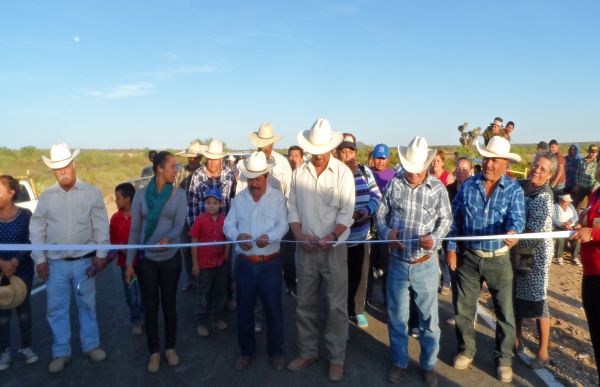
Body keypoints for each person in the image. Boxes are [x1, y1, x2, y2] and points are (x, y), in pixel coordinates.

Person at [446, 136, 525, 383]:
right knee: (463, 309)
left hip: (499, 260)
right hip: (469, 256)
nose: (489, 164)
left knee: (505, 313)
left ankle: (503, 359)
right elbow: (453, 220)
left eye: (495, 160)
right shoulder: (468, 186)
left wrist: (514, 233)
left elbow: (518, 220)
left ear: (505, 164)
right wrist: (451, 248)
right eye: (486, 158)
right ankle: (466, 350)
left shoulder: (514, 190)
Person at [376, 136, 453, 386]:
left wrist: (436, 237)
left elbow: (446, 220)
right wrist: (387, 233)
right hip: (398, 262)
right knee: (397, 317)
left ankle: (428, 364)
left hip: (426, 264)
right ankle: (399, 362)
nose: (413, 174)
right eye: (409, 169)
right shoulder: (395, 185)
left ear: (426, 166)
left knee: (429, 320)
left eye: (417, 170)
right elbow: (381, 214)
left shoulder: (438, 189)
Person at [29, 143, 110, 373]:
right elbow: (37, 230)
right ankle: (61, 351)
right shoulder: (46, 198)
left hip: (85, 262)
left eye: (65, 166)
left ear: (74, 164)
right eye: (57, 168)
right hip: (55, 265)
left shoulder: (91, 193)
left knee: (87, 305)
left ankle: (91, 345)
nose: (62, 171)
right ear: (53, 171)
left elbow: (101, 226)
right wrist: (40, 260)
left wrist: (102, 255)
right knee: (56, 309)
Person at [286, 118, 355, 382]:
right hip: (305, 248)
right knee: (305, 303)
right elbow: (292, 209)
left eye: (322, 149)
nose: (317, 155)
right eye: (314, 150)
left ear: (330, 147)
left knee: (337, 307)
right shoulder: (298, 173)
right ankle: (308, 351)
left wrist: (333, 235)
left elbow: (346, 212)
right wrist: (300, 235)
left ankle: (336, 357)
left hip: (334, 248)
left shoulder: (343, 174)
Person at [224, 151, 289, 371]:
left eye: (258, 178)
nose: (254, 183)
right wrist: (236, 236)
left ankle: (276, 351)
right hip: (244, 264)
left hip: (269, 262)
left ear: (266, 177)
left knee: (273, 310)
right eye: (250, 178)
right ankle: (246, 352)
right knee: (244, 310)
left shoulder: (278, 198)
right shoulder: (239, 199)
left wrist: (269, 238)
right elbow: (228, 225)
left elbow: (283, 225)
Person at [125, 151, 187, 373]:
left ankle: (170, 348)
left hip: (171, 259)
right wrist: (130, 263)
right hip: (148, 261)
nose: (176, 171)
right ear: (159, 168)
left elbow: (180, 225)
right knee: (151, 307)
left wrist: (168, 238)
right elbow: (134, 231)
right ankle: (153, 352)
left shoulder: (179, 195)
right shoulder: (140, 196)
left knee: (169, 305)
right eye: (172, 166)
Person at [513, 152, 556, 370]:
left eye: (543, 170)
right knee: (517, 294)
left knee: (538, 301)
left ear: (550, 175)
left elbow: (532, 231)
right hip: (520, 248)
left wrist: (510, 236)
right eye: (535, 166)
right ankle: (517, 339)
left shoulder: (544, 197)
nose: (537, 171)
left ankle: (543, 352)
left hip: (533, 252)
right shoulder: (523, 185)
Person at [336, 133, 381, 329]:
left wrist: (366, 211)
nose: (347, 155)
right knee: (339, 276)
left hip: (362, 235)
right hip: (338, 237)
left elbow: (376, 196)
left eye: (351, 151)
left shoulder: (364, 171)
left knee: (360, 275)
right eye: (343, 151)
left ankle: (357, 310)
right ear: (337, 154)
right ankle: (338, 312)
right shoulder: (334, 173)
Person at [187, 139, 237, 310]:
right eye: (210, 158)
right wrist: (197, 235)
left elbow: (233, 201)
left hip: (225, 232)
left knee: (226, 270)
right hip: (204, 234)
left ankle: (226, 301)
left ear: (222, 159)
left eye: (216, 159)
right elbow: (192, 206)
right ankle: (205, 311)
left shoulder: (230, 175)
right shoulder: (197, 175)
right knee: (206, 276)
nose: (213, 162)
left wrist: (233, 231)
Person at [0, 175, 38, 370]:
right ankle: (4, 352)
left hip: (22, 270)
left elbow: (30, 241)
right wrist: (2, 264)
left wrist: (14, 261)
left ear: (11, 193)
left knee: (24, 311)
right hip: (0, 273)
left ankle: (26, 347)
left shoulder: (25, 215)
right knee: (2, 313)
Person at [569, 187, 600, 383]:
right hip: (591, 274)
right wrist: (578, 227)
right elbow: (589, 223)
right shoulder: (595, 194)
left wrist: (594, 234)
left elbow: (594, 231)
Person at [189, 189, 229, 337]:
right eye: (208, 203)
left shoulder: (225, 220)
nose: (211, 206)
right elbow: (193, 241)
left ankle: (216, 318)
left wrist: (226, 255)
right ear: (205, 204)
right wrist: (195, 264)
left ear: (221, 204)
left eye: (215, 203)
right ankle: (202, 322)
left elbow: (228, 238)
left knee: (220, 293)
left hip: (220, 263)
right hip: (204, 265)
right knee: (204, 294)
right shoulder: (200, 220)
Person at [110, 182, 143, 335]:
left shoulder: (140, 215)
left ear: (128, 199)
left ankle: (146, 315)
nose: (115, 201)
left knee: (144, 290)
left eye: (118, 198)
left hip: (142, 262)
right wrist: (121, 248)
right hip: (125, 263)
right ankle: (136, 320)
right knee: (131, 292)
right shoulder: (115, 219)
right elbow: (113, 239)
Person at [175, 140, 207, 292]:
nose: (192, 159)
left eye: (194, 157)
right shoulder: (181, 172)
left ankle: (202, 279)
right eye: (190, 157)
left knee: (200, 249)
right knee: (186, 249)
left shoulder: (204, 172)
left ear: (200, 158)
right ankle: (190, 279)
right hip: (183, 215)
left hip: (199, 215)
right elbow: (175, 191)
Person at [366, 143, 396, 306]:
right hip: (369, 223)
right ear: (373, 158)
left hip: (386, 225)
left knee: (386, 265)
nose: (380, 161)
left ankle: (387, 299)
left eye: (383, 158)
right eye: (378, 158)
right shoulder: (367, 173)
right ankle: (366, 297)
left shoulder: (394, 174)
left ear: (388, 159)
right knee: (368, 263)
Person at [237, 122, 293, 197]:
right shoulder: (249, 163)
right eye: (261, 148)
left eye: (266, 150)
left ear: (272, 144)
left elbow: (289, 190)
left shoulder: (282, 162)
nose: (263, 152)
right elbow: (240, 189)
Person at [282, 145, 304, 295]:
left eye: (296, 155)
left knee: (304, 253)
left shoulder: (306, 174)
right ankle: (291, 283)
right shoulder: (284, 173)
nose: (293, 158)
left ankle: (304, 283)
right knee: (288, 253)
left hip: (306, 219)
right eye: (291, 155)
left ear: (302, 158)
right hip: (289, 217)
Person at [553, 194, 581, 266]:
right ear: (560, 200)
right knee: (560, 238)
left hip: (571, 227)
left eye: (568, 201)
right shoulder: (555, 206)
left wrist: (570, 222)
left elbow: (576, 217)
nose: (568, 203)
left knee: (577, 239)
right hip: (559, 228)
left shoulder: (571, 206)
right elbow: (554, 219)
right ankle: (559, 257)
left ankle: (575, 257)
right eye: (566, 201)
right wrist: (563, 224)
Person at [572, 144, 599, 209]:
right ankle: (576, 218)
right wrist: (577, 184)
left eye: (595, 152)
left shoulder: (598, 163)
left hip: (591, 188)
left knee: (590, 206)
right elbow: (577, 173)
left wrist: (594, 187)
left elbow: (598, 177)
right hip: (581, 187)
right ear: (588, 151)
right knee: (576, 204)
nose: (593, 154)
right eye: (591, 152)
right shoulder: (582, 161)